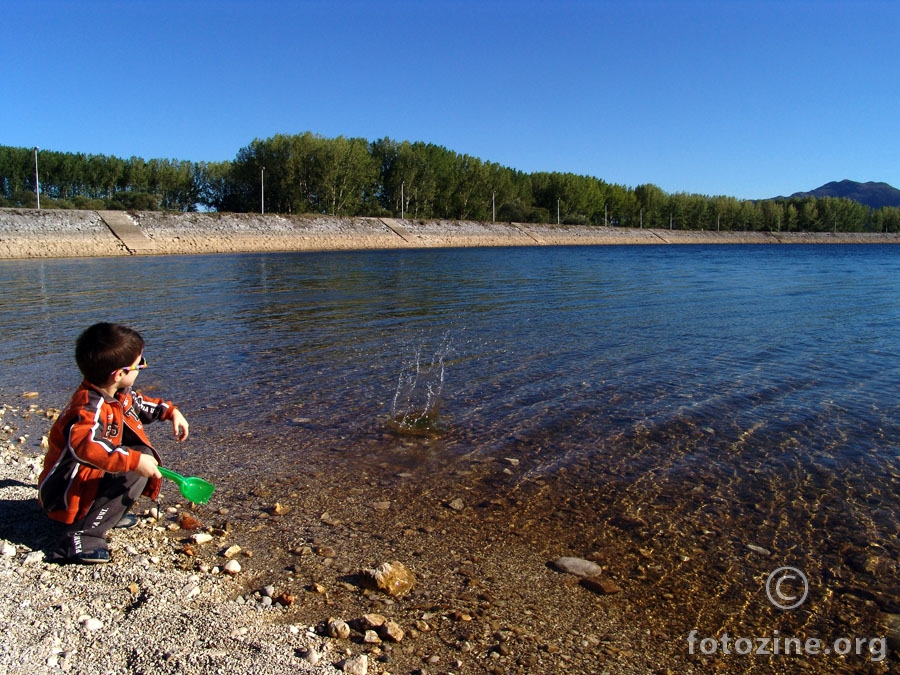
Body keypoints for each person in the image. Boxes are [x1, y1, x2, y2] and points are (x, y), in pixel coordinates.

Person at [38, 322, 189, 564]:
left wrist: (171, 413)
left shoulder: (118, 394)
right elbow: (85, 446)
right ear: (119, 374)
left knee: (138, 455)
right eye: (140, 364)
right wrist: (132, 460)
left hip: (84, 484)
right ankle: (80, 536)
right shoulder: (88, 407)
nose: (143, 367)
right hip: (64, 494)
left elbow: (142, 405)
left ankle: (104, 515)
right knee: (136, 464)